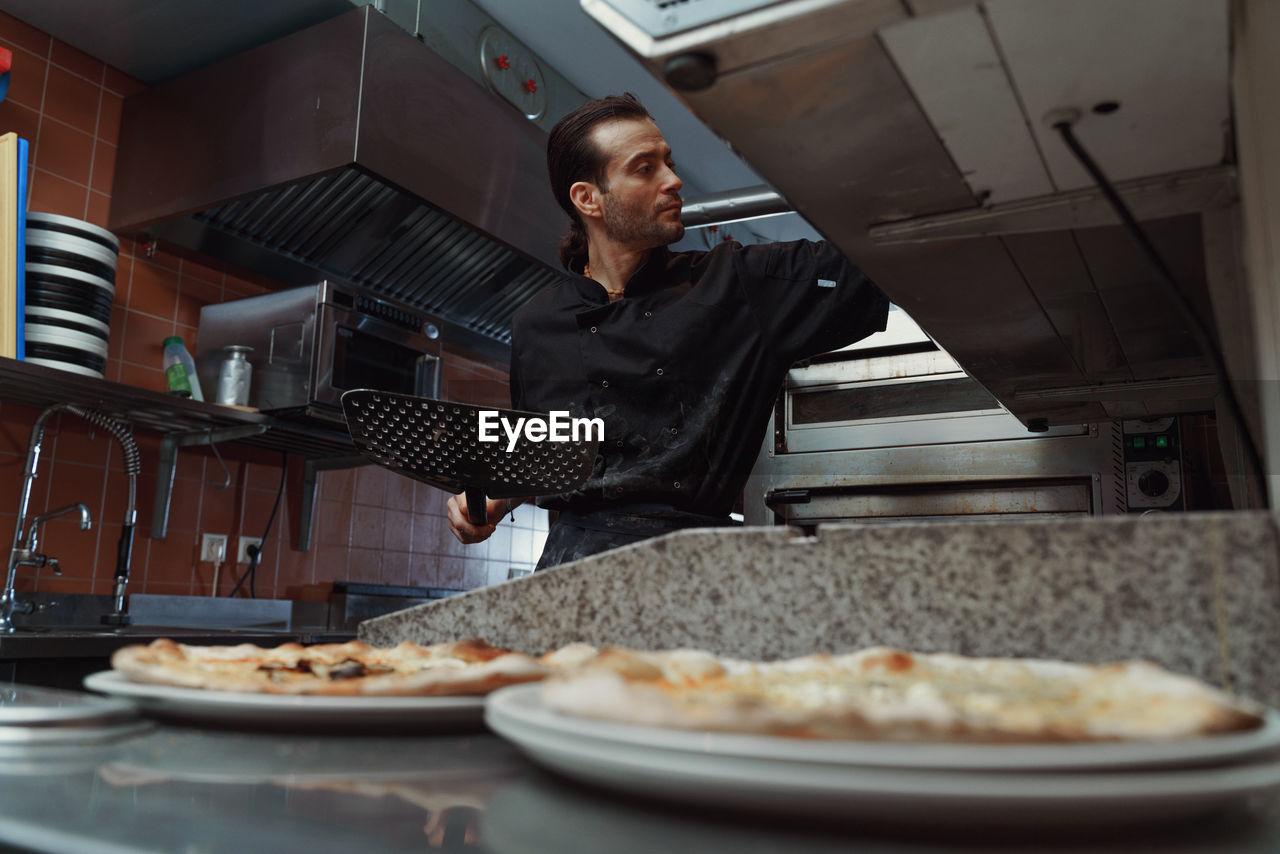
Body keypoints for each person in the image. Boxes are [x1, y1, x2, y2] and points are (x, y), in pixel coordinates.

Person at [447, 93, 888, 570]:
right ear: (587, 198)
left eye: (668, 162)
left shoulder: (738, 286)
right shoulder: (537, 323)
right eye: (645, 168)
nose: (674, 180)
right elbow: (545, 452)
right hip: (569, 575)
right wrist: (496, 497)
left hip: (694, 570)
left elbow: (880, 260)